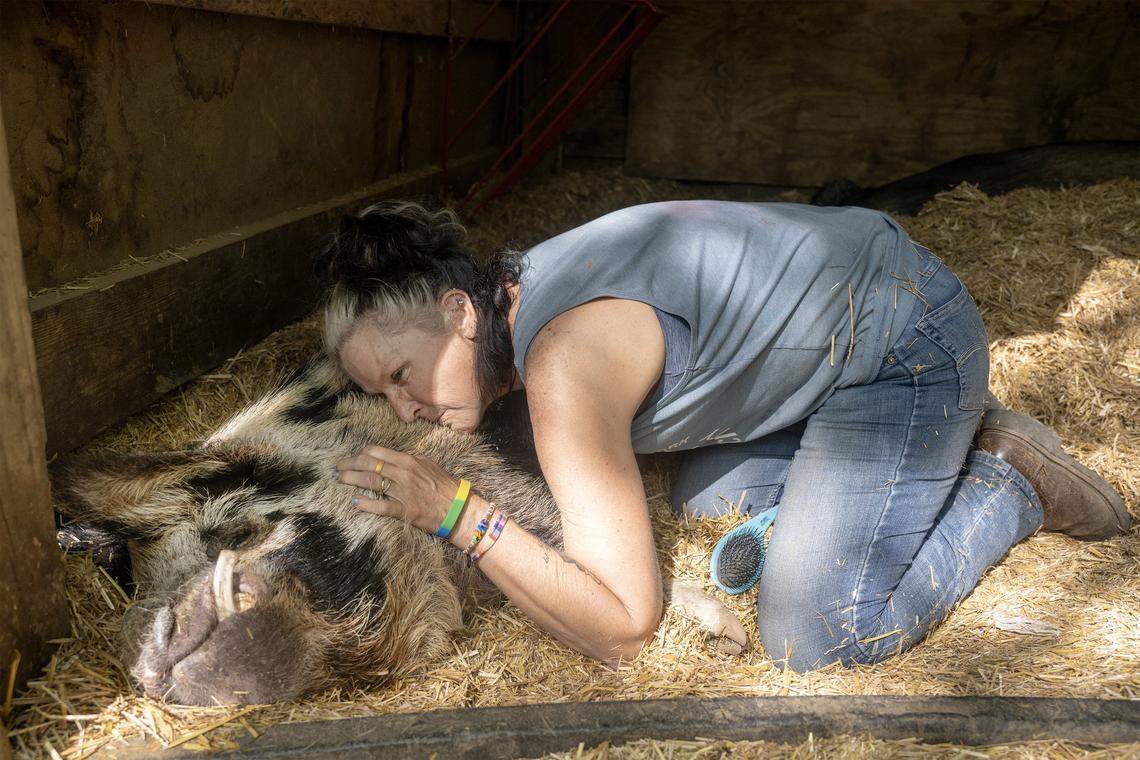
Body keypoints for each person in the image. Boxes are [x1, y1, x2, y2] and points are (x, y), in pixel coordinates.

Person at [325, 200, 1130, 672]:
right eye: (379, 394)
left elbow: (626, 629)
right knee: (713, 499)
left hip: (908, 340)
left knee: (819, 631)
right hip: (832, 347)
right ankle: (918, 460)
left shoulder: (564, 362)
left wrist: (454, 512)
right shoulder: (517, 293)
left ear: (458, 315)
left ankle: (1002, 478)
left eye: (401, 375)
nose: (403, 410)